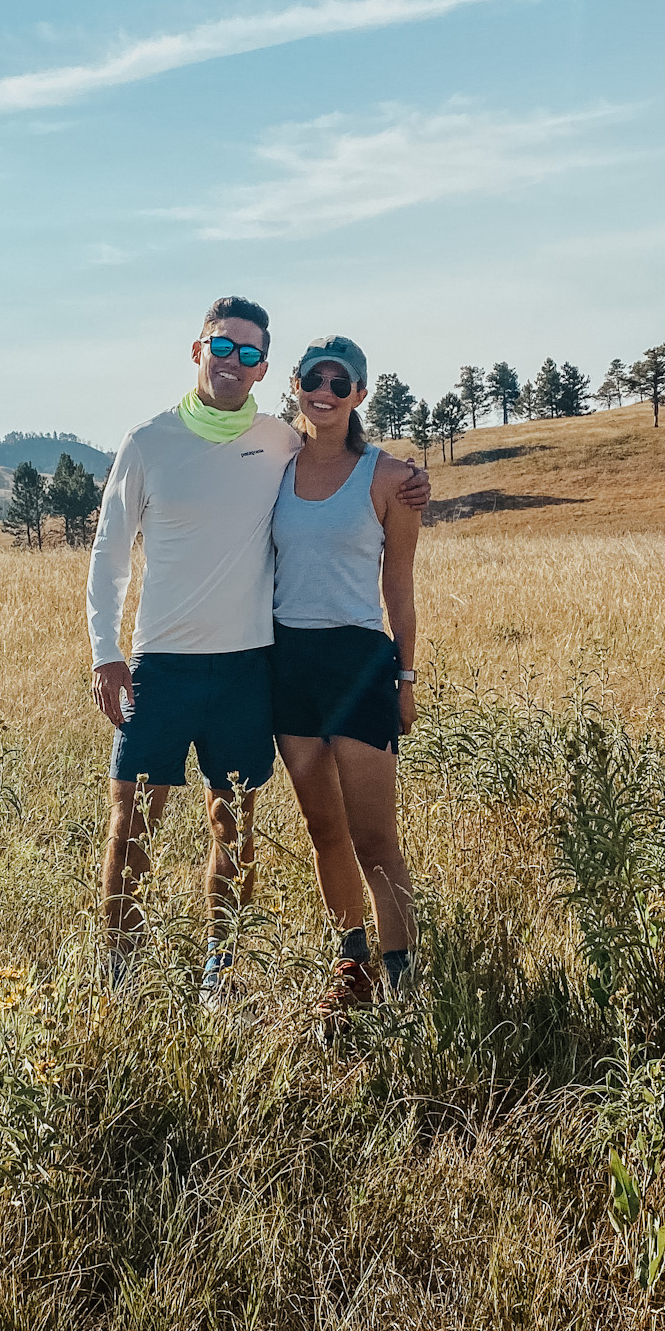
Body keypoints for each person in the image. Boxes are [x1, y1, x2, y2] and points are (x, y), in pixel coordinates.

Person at [87, 298, 428, 1000]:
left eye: (249, 354)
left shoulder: (283, 443)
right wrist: (105, 648)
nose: (233, 362)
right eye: (223, 347)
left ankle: (224, 975)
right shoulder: (151, 441)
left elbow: (362, 488)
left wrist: (411, 477)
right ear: (197, 350)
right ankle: (118, 979)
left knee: (236, 829)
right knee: (133, 826)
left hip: (252, 668)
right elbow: (108, 551)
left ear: (264, 368)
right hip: (168, 666)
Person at [271, 335, 420, 1030]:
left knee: (374, 838)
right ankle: (352, 966)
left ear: (359, 394)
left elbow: (400, 587)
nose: (323, 391)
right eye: (312, 379)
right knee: (322, 828)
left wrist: (407, 678)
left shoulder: (390, 478)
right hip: (289, 661)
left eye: (340, 381)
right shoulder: (271, 465)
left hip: (360, 664)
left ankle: (406, 987)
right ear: (296, 385)